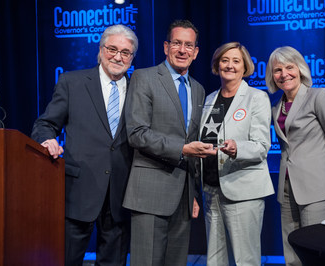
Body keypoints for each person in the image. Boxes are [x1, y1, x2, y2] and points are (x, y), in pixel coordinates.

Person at [31, 24, 138, 265]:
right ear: (100, 50)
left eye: (125, 52)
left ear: (132, 58)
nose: (118, 56)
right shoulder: (72, 82)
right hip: (78, 191)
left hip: (121, 193)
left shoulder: (139, 88)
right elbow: (45, 123)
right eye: (112, 49)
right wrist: (47, 140)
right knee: (67, 259)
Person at [122, 19, 216, 266]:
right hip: (149, 193)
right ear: (166, 47)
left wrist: (193, 193)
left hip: (182, 196)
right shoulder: (144, 78)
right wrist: (182, 149)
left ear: (196, 52)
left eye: (189, 45)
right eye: (177, 43)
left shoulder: (198, 89)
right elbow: (137, 133)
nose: (182, 50)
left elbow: (193, 140)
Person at [265, 46, 325, 266]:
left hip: (318, 188)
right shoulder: (276, 107)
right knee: (292, 251)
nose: (284, 74)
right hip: (286, 189)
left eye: (289, 67)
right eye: (277, 70)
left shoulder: (319, 96)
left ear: (300, 68)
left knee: (317, 252)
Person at [199, 42, 275, 266]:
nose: (229, 65)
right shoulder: (209, 99)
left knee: (245, 260)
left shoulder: (256, 98)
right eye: (224, 60)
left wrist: (237, 148)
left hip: (243, 191)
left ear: (245, 67)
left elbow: (261, 145)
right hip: (211, 191)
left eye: (236, 61)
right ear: (216, 65)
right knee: (214, 259)